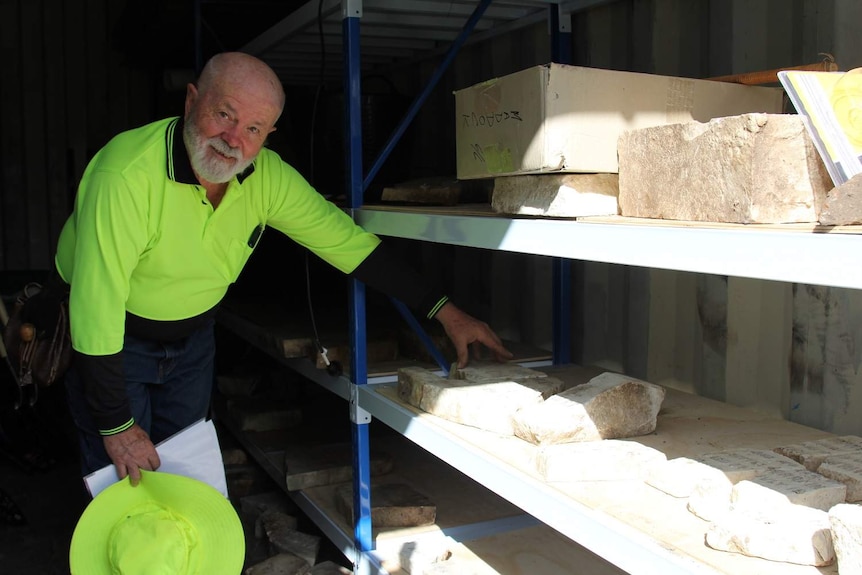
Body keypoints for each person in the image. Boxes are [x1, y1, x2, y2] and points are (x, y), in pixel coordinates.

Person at [54, 51, 513, 486]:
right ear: (192, 100)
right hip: (115, 344)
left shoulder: (266, 178)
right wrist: (116, 425)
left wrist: (447, 312)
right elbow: (97, 307)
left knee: (183, 477)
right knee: (124, 485)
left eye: (253, 128)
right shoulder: (126, 175)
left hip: (192, 343)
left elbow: (351, 247)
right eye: (224, 115)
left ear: (269, 135)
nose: (234, 139)